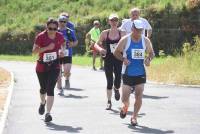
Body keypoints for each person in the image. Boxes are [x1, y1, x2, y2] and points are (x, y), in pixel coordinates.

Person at [114, 19, 154, 126]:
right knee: (125, 98)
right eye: (137, 30)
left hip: (140, 73)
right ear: (132, 29)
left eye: (141, 30)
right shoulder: (125, 40)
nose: (139, 32)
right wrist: (123, 59)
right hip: (127, 73)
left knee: (139, 96)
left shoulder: (145, 40)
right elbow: (116, 52)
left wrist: (148, 59)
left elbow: (151, 53)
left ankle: (134, 117)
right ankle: (125, 107)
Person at [32, 18, 65, 122]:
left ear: (57, 28)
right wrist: (46, 48)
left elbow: (63, 44)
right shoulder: (41, 36)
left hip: (55, 65)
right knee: (43, 89)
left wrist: (62, 50)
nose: (52, 30)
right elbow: (34, 51)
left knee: (50, 88)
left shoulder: (59, 35)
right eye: (50, 28)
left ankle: (48, 113)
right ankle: (42, 103)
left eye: (55, 28)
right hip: (42, 66)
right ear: (47, 27)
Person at [94, 14, 126, 110]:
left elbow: (126, 44)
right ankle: (109, 102)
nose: (114, 22)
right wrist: (100, 49)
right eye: (112, 20)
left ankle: (116, 89)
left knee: (118, 80)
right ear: (109, 22)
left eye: (115, 20)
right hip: (108, 59)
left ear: (118, 22)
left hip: (118, 58)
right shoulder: (105, 33)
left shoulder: (122, 33)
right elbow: (96, 44)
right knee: (109, 81)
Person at [56, 15, 78, 95]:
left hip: (68, 54)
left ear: (66, 22)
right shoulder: (55, 31)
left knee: (67, 71)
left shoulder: (69, 31)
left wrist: (70, 45)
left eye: (64, 21)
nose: (62, 23)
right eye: (61, 21)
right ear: (58, 22)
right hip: (57, 54)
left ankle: (67, 79)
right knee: (58, 72)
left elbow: (75, 41)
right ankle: (60, 88)